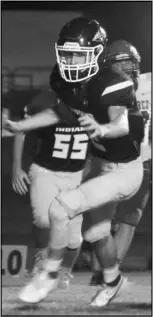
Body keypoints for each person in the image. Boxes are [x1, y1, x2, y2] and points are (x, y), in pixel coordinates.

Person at [13, 38, 143, 307]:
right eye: (68, 55)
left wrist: (102, 129)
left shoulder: (116, 89)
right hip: (99, 166)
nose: (71, 63)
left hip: (123, 172)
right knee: (96, 234)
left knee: (60, 209)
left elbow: (121, 122)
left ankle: (49, 273)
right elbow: (61, 113)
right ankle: (113, 281)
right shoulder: (81, 88)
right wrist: (19, 126)